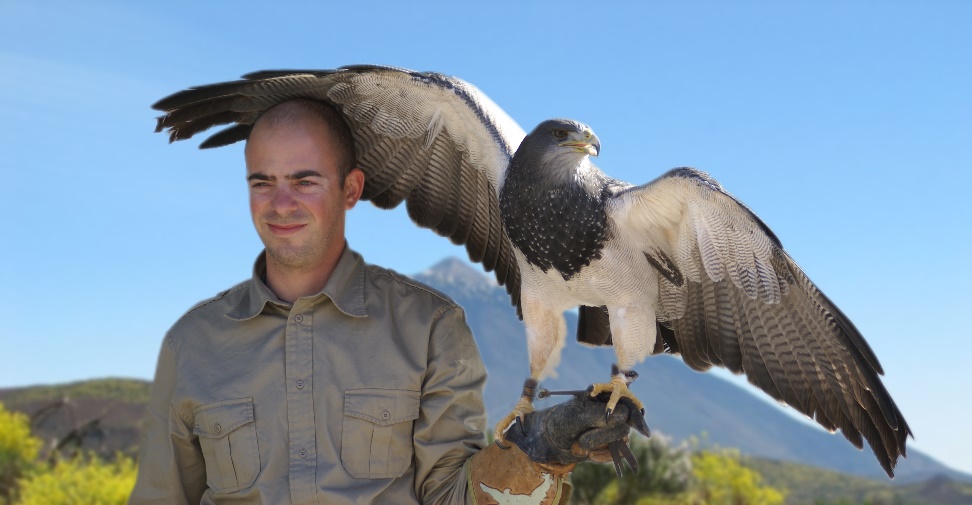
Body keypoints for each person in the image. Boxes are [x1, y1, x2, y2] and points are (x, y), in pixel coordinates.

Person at [129, 99, 637, 504]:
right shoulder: (192, 344)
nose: (281, 204)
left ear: (351, 189)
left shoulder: (430, 328)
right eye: (263, 183)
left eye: (305, 181)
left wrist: (540, 451)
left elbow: (450, 498)